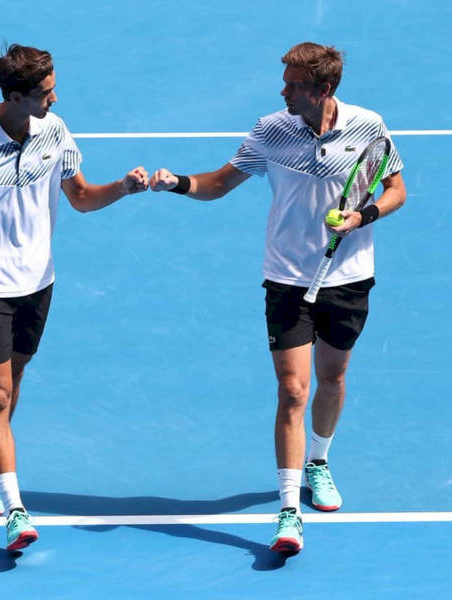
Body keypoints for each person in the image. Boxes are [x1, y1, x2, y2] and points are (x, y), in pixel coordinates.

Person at [149, 42, 406, 553]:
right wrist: (175, 182)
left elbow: (395, 189)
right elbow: (220, 183)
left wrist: (362, 218)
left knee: (332, 381)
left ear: (324, 90)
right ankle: (289, 511)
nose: (282, 90)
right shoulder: (271, 130)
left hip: (348, 275)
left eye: (293, 85)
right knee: (293, 391)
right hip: (288, 278)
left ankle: (319, 461)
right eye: (284, 81)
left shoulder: (368, 126)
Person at [0, 43, 148, 551]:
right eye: (44, 93)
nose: (54, 99)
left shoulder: (54, 132)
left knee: (11, 386)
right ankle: (15, 510)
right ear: (14, 96)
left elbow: (80, 197)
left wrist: (123, 188)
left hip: (38, 281)